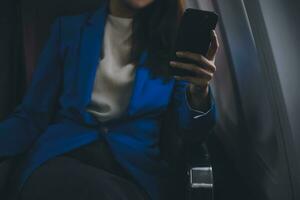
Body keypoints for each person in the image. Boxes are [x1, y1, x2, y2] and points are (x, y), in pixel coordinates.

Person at [0, 0, 219, 199]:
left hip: (131, 170)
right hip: (62, 155)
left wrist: (199, 90)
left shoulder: (173, 43)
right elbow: (31, 116)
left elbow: (193, 132)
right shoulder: (68, 30)